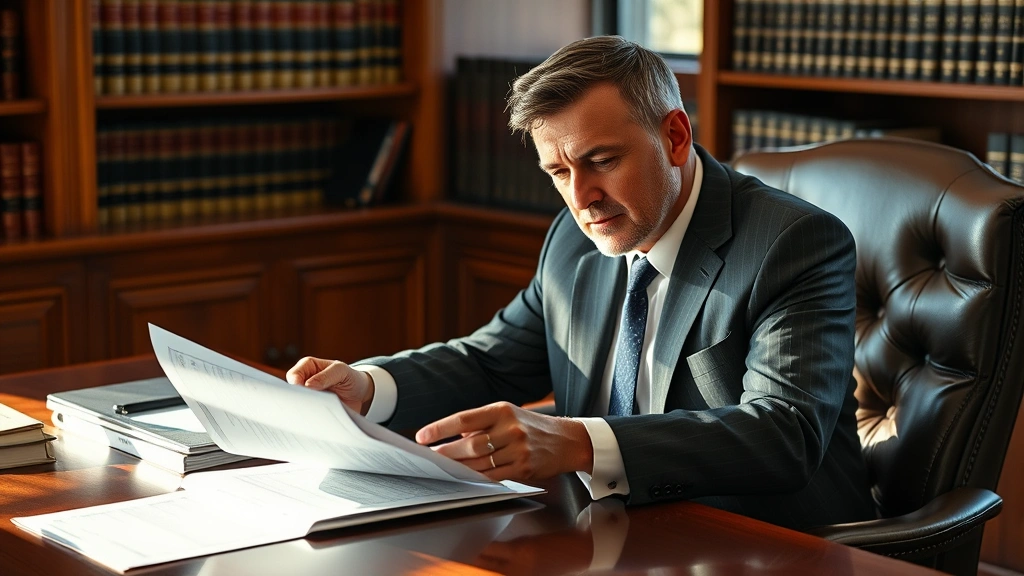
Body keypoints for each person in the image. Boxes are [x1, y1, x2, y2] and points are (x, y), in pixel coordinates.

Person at [288, 36, 875, 530]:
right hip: (611, 535)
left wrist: (577, 443)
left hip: (764, 544)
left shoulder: (794, 243)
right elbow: (491, 362)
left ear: (675, 137)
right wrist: (366, 388)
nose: (581, 198)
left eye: (602, 161)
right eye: (558, 172)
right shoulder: (574, 242)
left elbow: (783, 434)